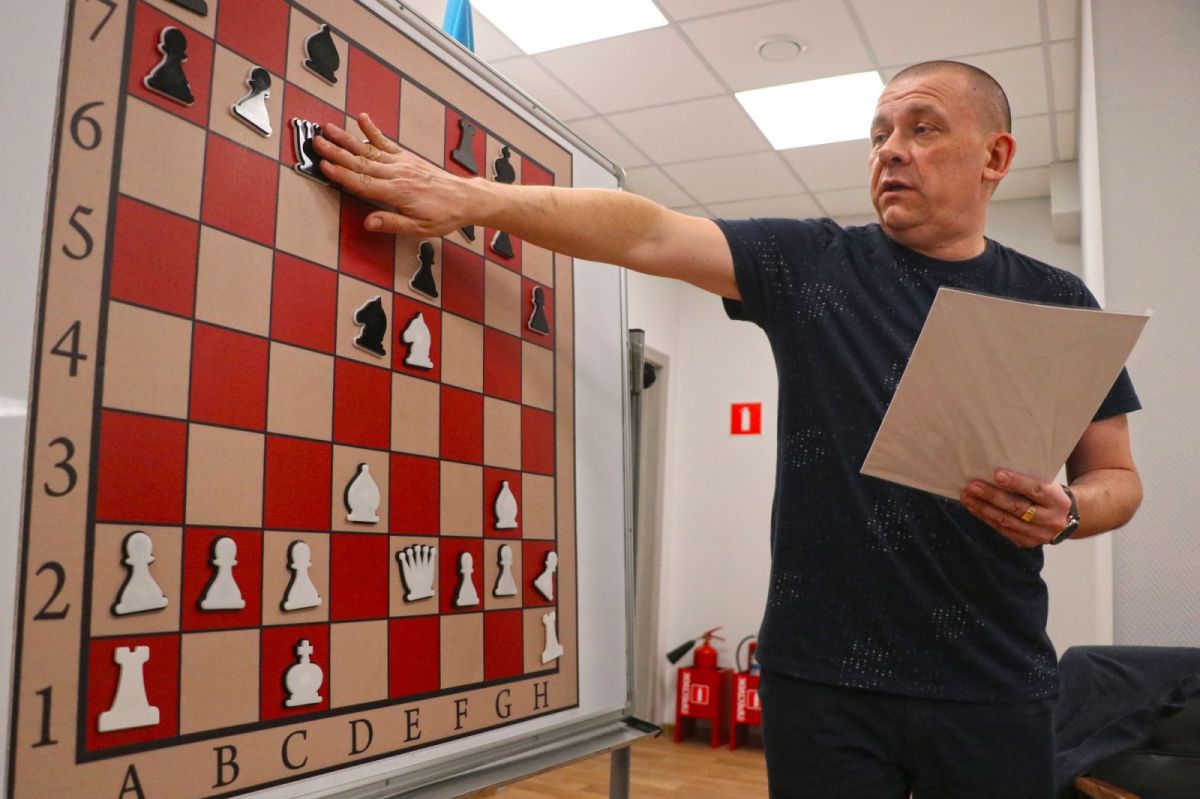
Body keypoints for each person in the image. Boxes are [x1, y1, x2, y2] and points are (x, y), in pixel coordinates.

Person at [313, 60, 1142, 798]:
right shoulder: (812, 263)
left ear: (996, 156)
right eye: (879, 134)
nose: (891, 151)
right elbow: (646, 230)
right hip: (823, 680)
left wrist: (1068, 510)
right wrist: (474, 198)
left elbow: (1117, 478)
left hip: (994, 678)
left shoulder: (1058, 301)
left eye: (923, 129)